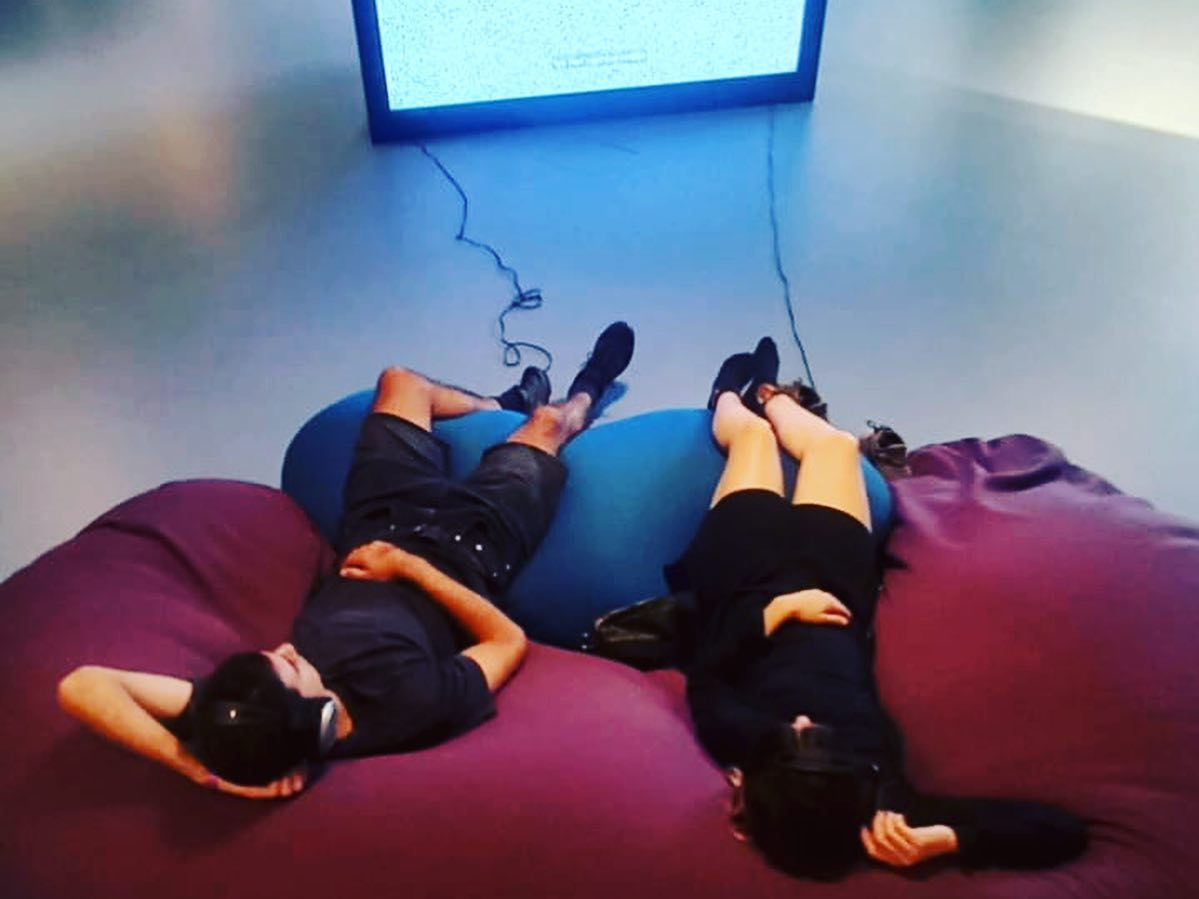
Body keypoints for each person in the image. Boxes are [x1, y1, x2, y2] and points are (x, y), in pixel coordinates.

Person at [57, 322, 635, 800]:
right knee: (549, 427)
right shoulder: (406, 704)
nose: (285, 650)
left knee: (400, 383)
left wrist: (197, 770)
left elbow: (82, 686)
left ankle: (499, 406)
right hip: (466, 551)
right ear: (319, 722)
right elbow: (507, 641)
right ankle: (587, 389)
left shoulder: (245, 709)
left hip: (375, 525)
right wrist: (407, 569)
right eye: (290, 668)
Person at [667, 337, 1088, 880]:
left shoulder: (743, 738)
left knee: (753, 442)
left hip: (746, 584)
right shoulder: (882, 799)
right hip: (833, 582)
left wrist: (771, 616)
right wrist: (953, 838)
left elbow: (706, 674)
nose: (802, 720)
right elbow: (1063, 832)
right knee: (837, 449)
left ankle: (729, 394)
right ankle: (774, 395)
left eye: (792, 735)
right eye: (818, 737)